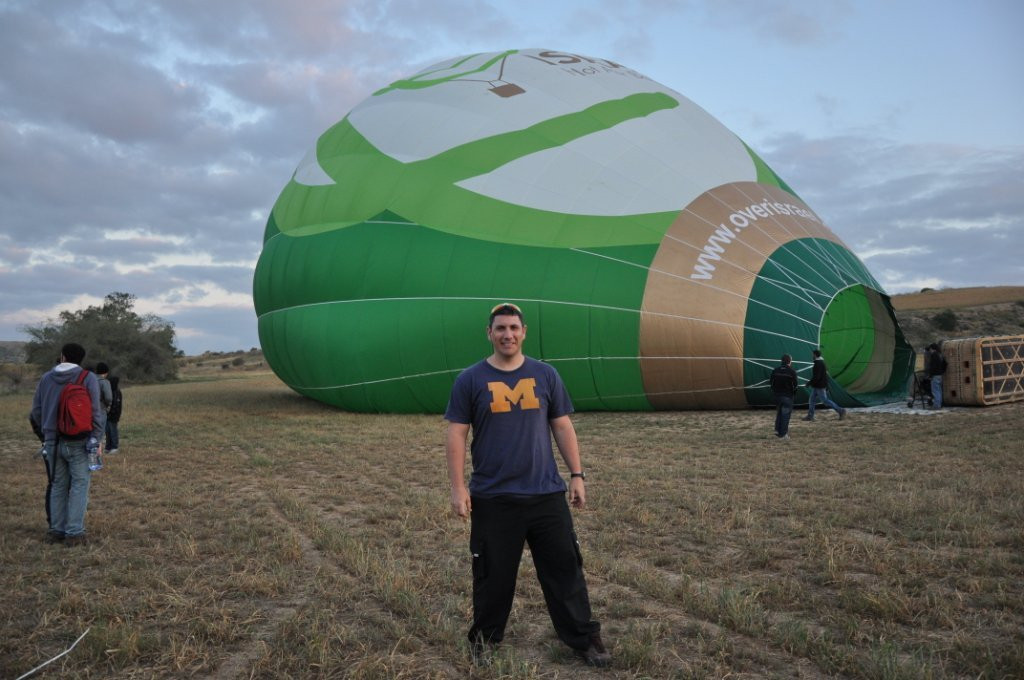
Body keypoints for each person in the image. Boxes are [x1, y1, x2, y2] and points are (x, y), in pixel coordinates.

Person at [444, 303, 610, 668]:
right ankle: (485, 641)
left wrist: (577, 475)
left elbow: (562, 425)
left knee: (565, 570)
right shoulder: (470, 380)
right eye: (500, 328)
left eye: (514, 328)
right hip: (493, 497)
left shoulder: (545, 375)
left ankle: (584, 638)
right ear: (489, 333)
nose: (508, 334)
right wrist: (458, 487)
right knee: (493, 576)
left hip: (546, 494)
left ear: (524, 332)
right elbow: (456, 434)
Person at [30, 342, 105, 546]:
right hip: (79, 440)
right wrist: (96, 438)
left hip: (52, 441)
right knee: (80, 485)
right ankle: (74, 532)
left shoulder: (46, 378)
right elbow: (95, 412)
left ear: (62, 356)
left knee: (57, 485)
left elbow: (35, 412)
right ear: (80, 359)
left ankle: (56, 530)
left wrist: (46, 433)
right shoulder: (87, 378)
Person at [803, 349, 848, 421]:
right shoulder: (822, 363)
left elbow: (816, 377)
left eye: (812, 354)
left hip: (819, 386)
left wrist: (809, 383)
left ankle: (841, 410)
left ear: (815, 355)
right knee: (812, 400)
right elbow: (824, 375)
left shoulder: (818, 364)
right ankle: (810, 416)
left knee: (825, 401)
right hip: (818, 385)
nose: (812, 356)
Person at [769, 353, 798, 439]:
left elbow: (771, 382)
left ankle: (777, 431)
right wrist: (793, 394)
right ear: (789, 361)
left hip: (777, 396)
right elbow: (795, 385)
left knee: (779, 413)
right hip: (787, 396)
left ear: (781, 361)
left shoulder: (775, 370)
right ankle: (783, 434)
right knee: (785, 415)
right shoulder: (792, 371)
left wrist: (775, 391)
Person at [95, 362, 114, 450]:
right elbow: (109, 397)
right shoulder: (104, 382)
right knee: (100, 434)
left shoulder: (91, 380)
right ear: (106, 372)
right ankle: (97, 455)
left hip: (89, 411)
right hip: (101, 410)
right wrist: (108, 406)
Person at [925, 343, 947, 409]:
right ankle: (939, 404)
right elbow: (945, 364)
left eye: (930, 349)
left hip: (935, 375)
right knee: (939, 391)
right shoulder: (940, 355)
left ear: (932, 349)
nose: (930, 350)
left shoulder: (934, 355)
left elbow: (933, 367)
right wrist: (942, 372)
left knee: (935, 391)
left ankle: (936, 406)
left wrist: (930, 375)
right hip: (940, 375)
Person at [105, 374, 122, 453]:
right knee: (107, 431)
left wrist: (112, 414)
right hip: (107, 415)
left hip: (113, 416)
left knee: (113, 431)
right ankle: (108, 446)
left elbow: (116, 406)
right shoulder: (110, 391)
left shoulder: (117, 392)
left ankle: (114, 446)